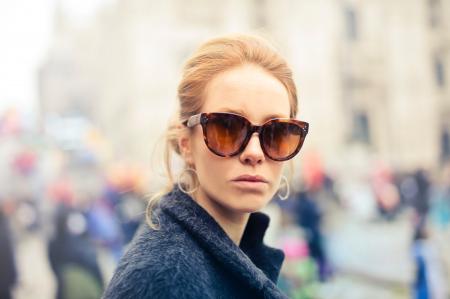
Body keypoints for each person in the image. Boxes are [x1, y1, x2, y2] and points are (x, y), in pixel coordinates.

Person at [102, 34, 309, 299]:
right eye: (227, 128)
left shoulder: (206, 253)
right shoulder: (161, 280)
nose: (255, 153)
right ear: (186, 143)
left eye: (277, 132)